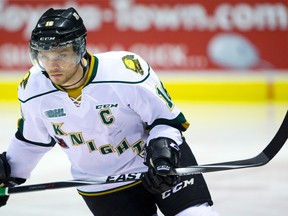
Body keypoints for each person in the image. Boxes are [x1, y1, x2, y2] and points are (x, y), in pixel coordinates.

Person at [0, 7, 219, 216]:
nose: (52, 65)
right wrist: (7, 174)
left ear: (80, 48)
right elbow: (31, 141)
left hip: (157, 162)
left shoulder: (124, 72)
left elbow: (165, 120)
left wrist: (164, 156)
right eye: (44, 56)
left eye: (61, 55)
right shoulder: (33, 89)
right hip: (101, 182)